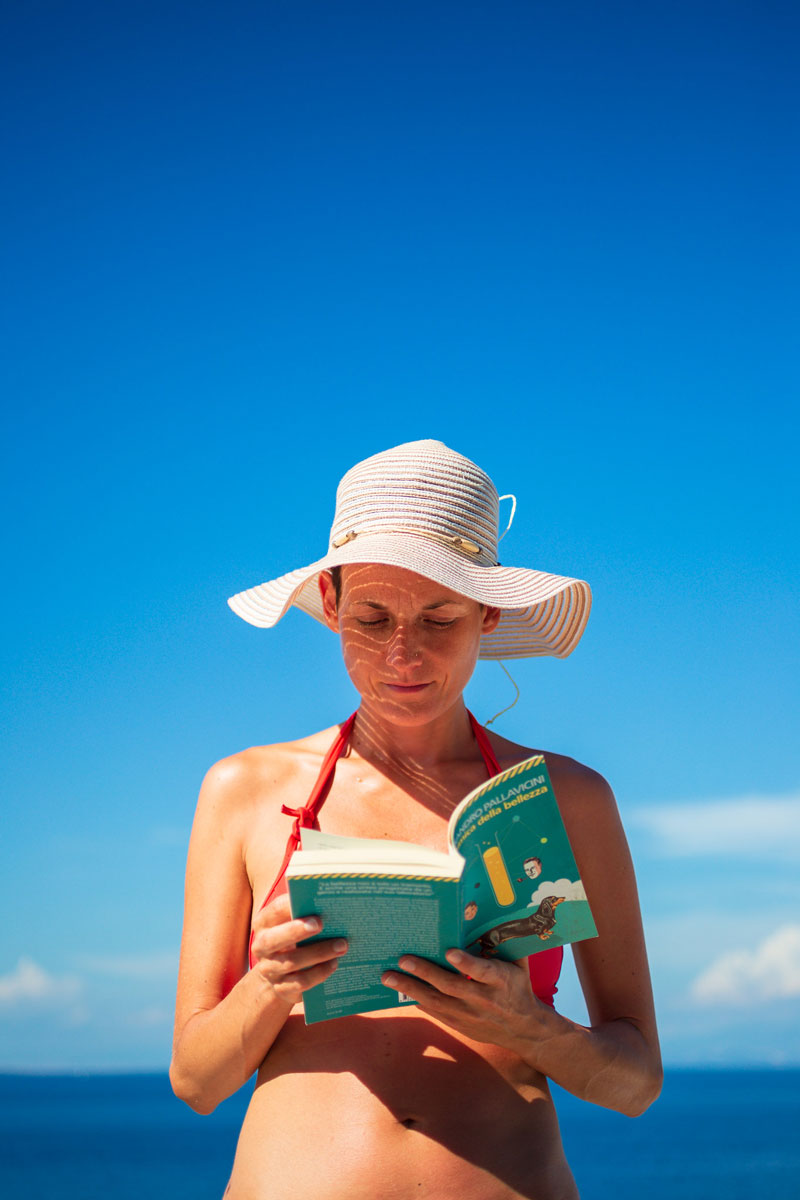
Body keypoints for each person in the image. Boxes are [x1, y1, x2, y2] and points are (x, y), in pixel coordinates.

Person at [170, 439, 662, 1200]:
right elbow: (197, 1081)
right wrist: (268, 984)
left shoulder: (569, 799)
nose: (405, 654)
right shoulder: (245, 790)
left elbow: (634, 1084)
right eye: (372, 617)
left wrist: (530, 1026)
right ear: (330, 606)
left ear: (486, 613)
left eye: (439, 618)